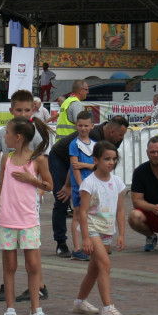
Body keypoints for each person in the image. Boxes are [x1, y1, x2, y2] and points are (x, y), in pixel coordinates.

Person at [0, 117, 55, 315]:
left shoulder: (38, 160)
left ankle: (36, 311)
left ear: (17, 137)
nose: (4, 136)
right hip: (7, 219)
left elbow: (50, 185)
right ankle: (10, 310)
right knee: (10, 266)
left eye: (7, 133)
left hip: (28, 220)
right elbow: (1, 186)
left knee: (33, 266)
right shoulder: (6, 159)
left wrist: (33, 181)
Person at [49, 115, 129, 257]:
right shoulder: (91, 136)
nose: (121, 138)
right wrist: (69, 185)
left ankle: (99, 242)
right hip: (60, 159)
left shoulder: (113, 140)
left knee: (93, 207)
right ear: (111, 132)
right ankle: (62, 243)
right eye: (121, 135)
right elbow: (74, 164)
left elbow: (99, 166)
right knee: (62, 200)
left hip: (83, 173)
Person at [73, 140, 127, 315]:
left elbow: (120, 209)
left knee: (94, 270)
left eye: (114, 159)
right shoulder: (89, 183)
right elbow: (83, 211)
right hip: (93, 229)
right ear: (96, 160)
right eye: (107, 159)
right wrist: (86, 238)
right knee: (105, 265)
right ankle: (108, 307)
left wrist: (121, 233)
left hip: (107, 230)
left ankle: (80, 301)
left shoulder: (117, 182)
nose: (111, 163)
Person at [128, 135, 158, 252]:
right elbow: (136, 200)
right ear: (147, 152)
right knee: (133, 216)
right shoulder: (139, 171)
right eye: (152, 152)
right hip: (150, 212)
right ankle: (150, 236)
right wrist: (153, 207)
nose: (156, 155)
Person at [68, 111, 96, 261]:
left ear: (92, 126)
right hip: (80, 186)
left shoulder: (95, 145)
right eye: (80, 125)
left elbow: (97, 166)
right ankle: (77, 248)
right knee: (78, 215)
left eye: (86, 125)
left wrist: (85, 165)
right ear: (76, 126)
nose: (83, 128)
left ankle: (90, 244)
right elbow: (74, 167)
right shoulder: (74, 144)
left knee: (91, 215)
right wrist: (80, 186)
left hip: (93, 185)